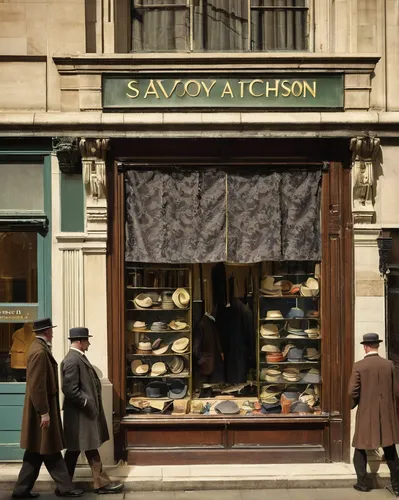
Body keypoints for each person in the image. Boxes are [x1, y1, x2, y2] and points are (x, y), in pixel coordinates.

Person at [12, 318, 83, 499]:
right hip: (41, 412)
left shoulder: (39, 348)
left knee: (36, 452)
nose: (53, 333)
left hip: (41, 410)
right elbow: (37, 386)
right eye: (51, 330)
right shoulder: (39, 352)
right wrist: (44, 412)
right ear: (47, 332)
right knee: (49, 450)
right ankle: (65, 488)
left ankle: (21, 490)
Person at [61, 327, 124, 495]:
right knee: (87, 447)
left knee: (77, 449)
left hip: (81, 415)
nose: (89, 343)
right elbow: (69, 389)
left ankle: (64, 486)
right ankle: (100, 484)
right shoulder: (72, 360)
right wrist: (87, 403)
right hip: (80, 415)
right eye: (87, 340)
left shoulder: (78, 358)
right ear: (80, 342)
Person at [349, 332, 399, 494]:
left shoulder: (359, 366)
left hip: (366, 412)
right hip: (386, 413)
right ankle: (397, 486)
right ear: (377, 346)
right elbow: (396, 390)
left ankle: (362, 484)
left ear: (365, 347)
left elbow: (352, 391)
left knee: (360, 447)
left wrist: (354, 404)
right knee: (390, 448)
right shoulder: (389, 364)